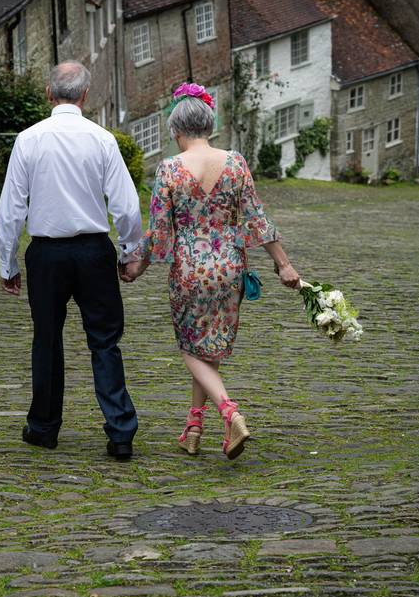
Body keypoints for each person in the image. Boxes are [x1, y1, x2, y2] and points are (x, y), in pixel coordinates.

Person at [121, 83, 300, 461]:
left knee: (190, 346)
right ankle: (193, 427)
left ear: (176, 130)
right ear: (209, 124)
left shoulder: (169, 168)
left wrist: (136, 265)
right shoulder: (235, 163)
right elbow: (257, 218)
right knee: (209, 348)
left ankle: (229, 411)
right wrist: (283, 264)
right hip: (230, 268)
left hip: (190, 269)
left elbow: (159, 231)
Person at [0, 61, 144, 461]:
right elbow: (127, 208)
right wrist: (130, 253)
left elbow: (11, 209)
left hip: (46, 253)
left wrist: (7, 263)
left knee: (46, 340)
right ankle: (120, 431)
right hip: (94, 251)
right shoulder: (102, 140)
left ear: (49, 93)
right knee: (105, 342)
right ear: (84, 95)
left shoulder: (28, 140)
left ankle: (44, 428)